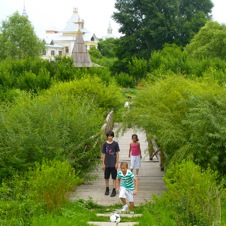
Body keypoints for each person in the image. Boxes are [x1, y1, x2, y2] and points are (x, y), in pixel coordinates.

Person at [102, 130, 120, 197]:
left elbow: (117, 153)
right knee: (106, 177)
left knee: (114, 177)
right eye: (109, 136)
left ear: (113, 136)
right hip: (107, 163)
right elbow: (104, 154)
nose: (110, 137)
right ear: (107, 136)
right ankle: (107, 188)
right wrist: (103, 163)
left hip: (113, 163)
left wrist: (117, 162)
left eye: (111, 136)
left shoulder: (115, 144)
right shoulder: (105, 144)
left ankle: (114, 189)